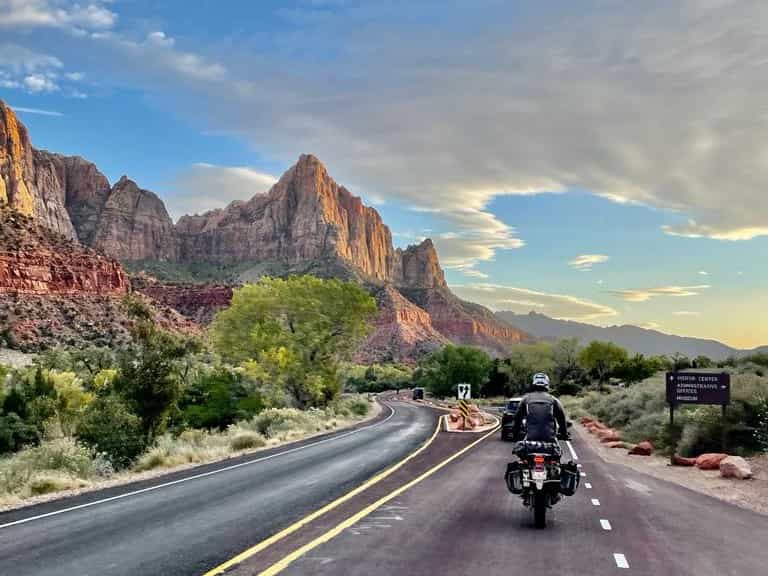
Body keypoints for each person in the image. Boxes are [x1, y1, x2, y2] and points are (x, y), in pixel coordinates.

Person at [511, 372, 569, 454]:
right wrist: (564, 435)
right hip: (550, 439)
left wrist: (515, 434)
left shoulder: (526, 399)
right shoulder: (553, 400)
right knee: (558, 454)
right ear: (547, 384)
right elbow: (561, 419)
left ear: (534, 384)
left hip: (530, 438)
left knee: (522, 456)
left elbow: (517, 418)